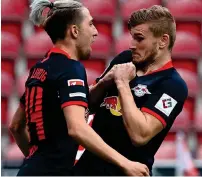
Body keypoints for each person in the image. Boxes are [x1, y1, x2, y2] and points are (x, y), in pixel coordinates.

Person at [9, 0, 149, 176]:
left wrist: (35, 163)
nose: (95, 32)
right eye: (90, 24)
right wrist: (125, 163)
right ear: (75, 31)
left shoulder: (39, 69)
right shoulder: (70, 68)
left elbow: (16, 126)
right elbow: (77, 128)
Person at [74, 5, 188, 176]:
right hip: (86, 170)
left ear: (163, 41)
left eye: (139, 39)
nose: (132, 45)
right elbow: (86, 104)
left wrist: (122, 83)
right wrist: (104, 83)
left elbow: (140, 135)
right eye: (132, 37)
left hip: (126, 172)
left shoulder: (172, 85)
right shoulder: (124, 60)